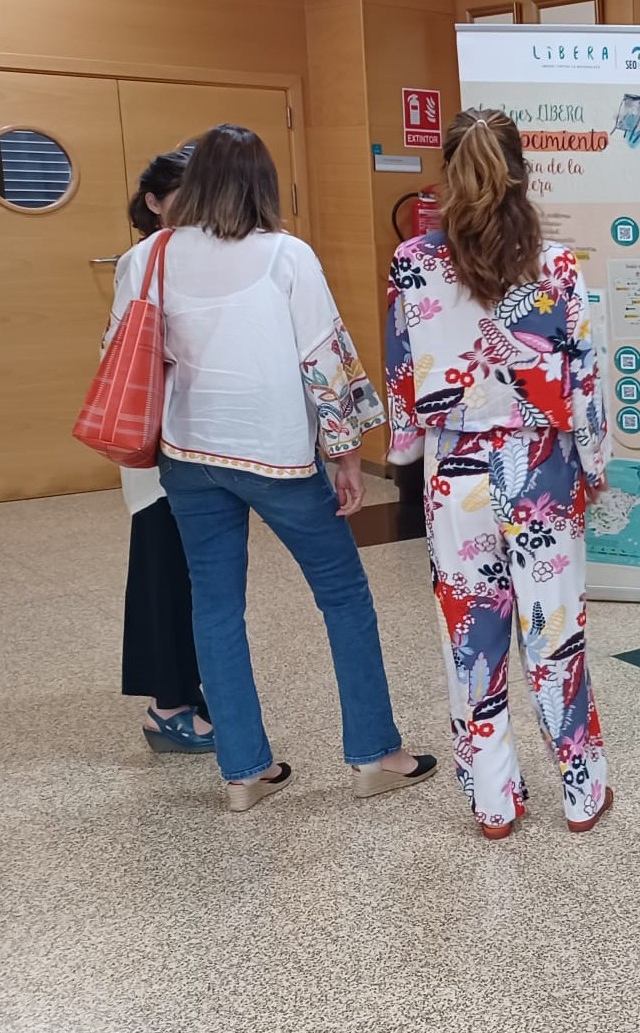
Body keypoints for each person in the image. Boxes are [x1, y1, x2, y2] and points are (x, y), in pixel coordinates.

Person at [115, 124, 435, 812]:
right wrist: (347, 456)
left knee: (216, 607)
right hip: (279, 455)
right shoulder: (286, 255)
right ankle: (376, 754)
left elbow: (124, 349)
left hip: (188, 455)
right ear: (261, 184)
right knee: (343, 597)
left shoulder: (150, 256)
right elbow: (323, 363)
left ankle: (243, 772)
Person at [385, 109, 614, 840]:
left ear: (448, 175)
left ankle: (494, 802)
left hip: (456, 469)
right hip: (540, 463)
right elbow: (585, 377)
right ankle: (579, 792)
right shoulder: (557, 264)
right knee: (554, 631)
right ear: (521, 169)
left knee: (471, 634)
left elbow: (401, 370)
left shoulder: (413, 262)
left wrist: (402, 450)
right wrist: (596, 459)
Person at [120, 147, 211, 754]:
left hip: (195, 438)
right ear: (153, 203)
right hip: (157, 435)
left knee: (189, 570)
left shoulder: (196, 255)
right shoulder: (143, 258)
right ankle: (168, 706)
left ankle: (185, 693)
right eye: (182, 197)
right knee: (162, 567)